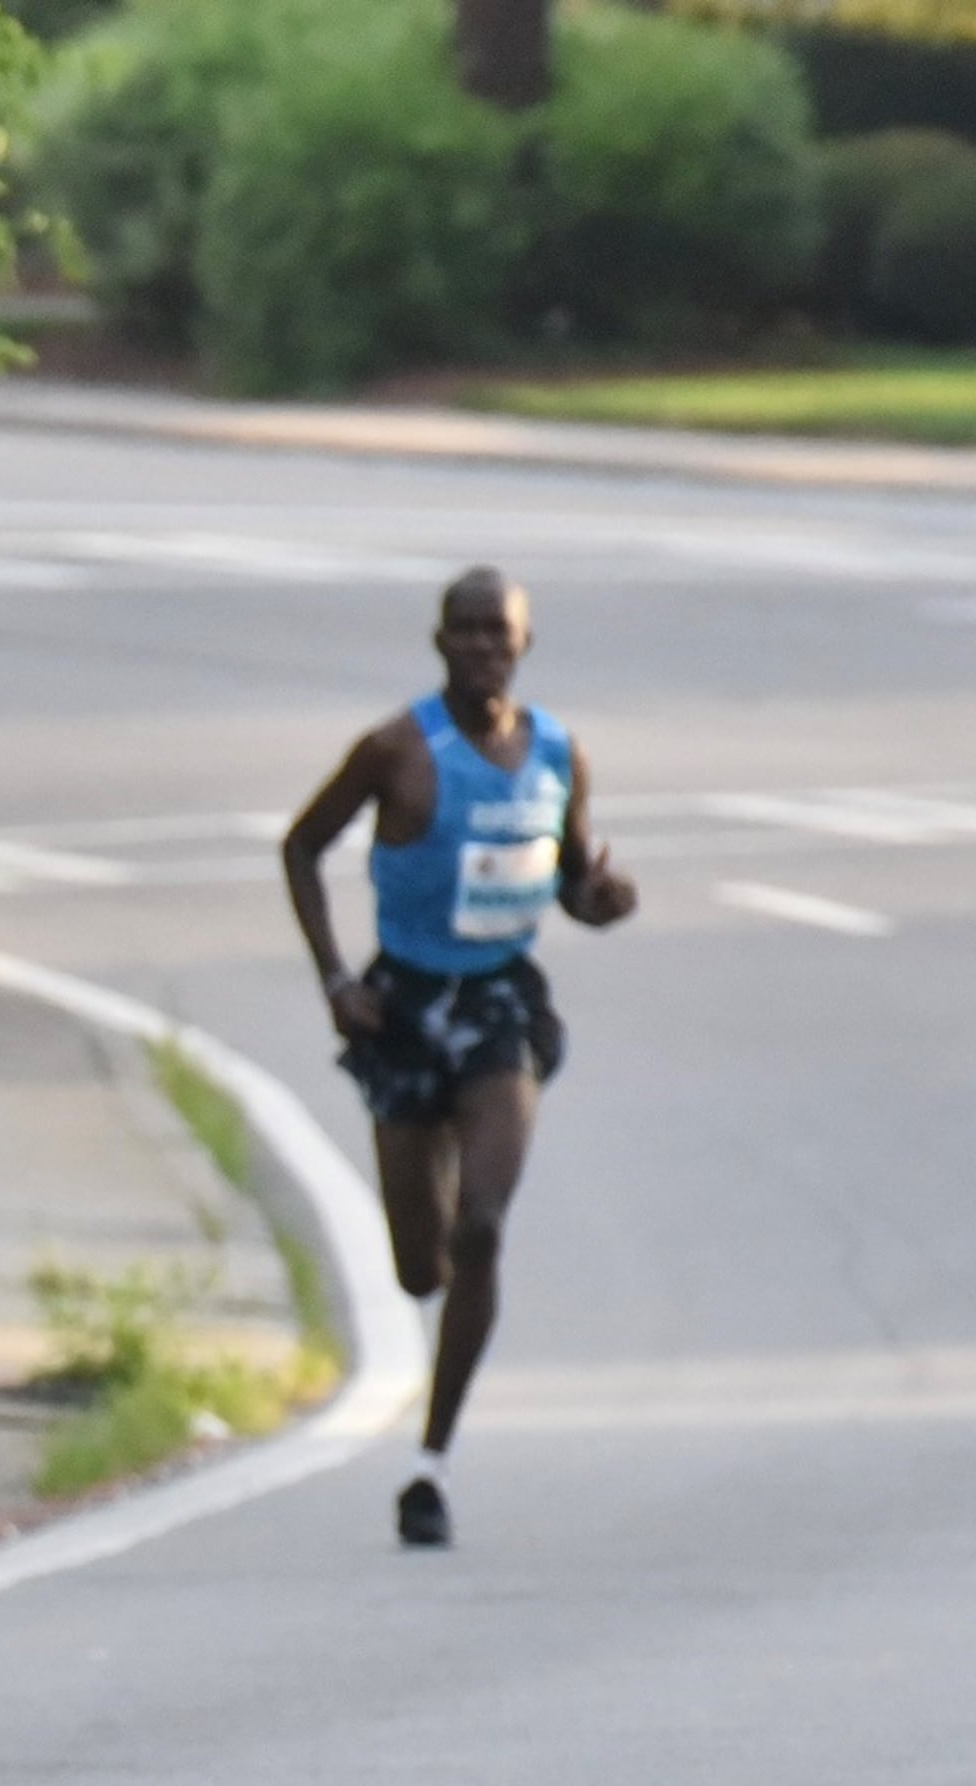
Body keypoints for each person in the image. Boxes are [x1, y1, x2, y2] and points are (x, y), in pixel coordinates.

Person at [283, 568, 635, 1551]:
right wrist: (335, 980)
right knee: (419, 1265)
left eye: (502, 632)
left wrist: (602, 900)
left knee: (482, 1226)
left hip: (497, 1005)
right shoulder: (395, 749)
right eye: (467, 631)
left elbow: (571, 877)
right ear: (439, 642)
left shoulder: (557, 750)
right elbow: (300, 848)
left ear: (526, 644)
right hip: (403, 1006)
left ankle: (431, 1462)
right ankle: (430, 1229)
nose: (485, 647)